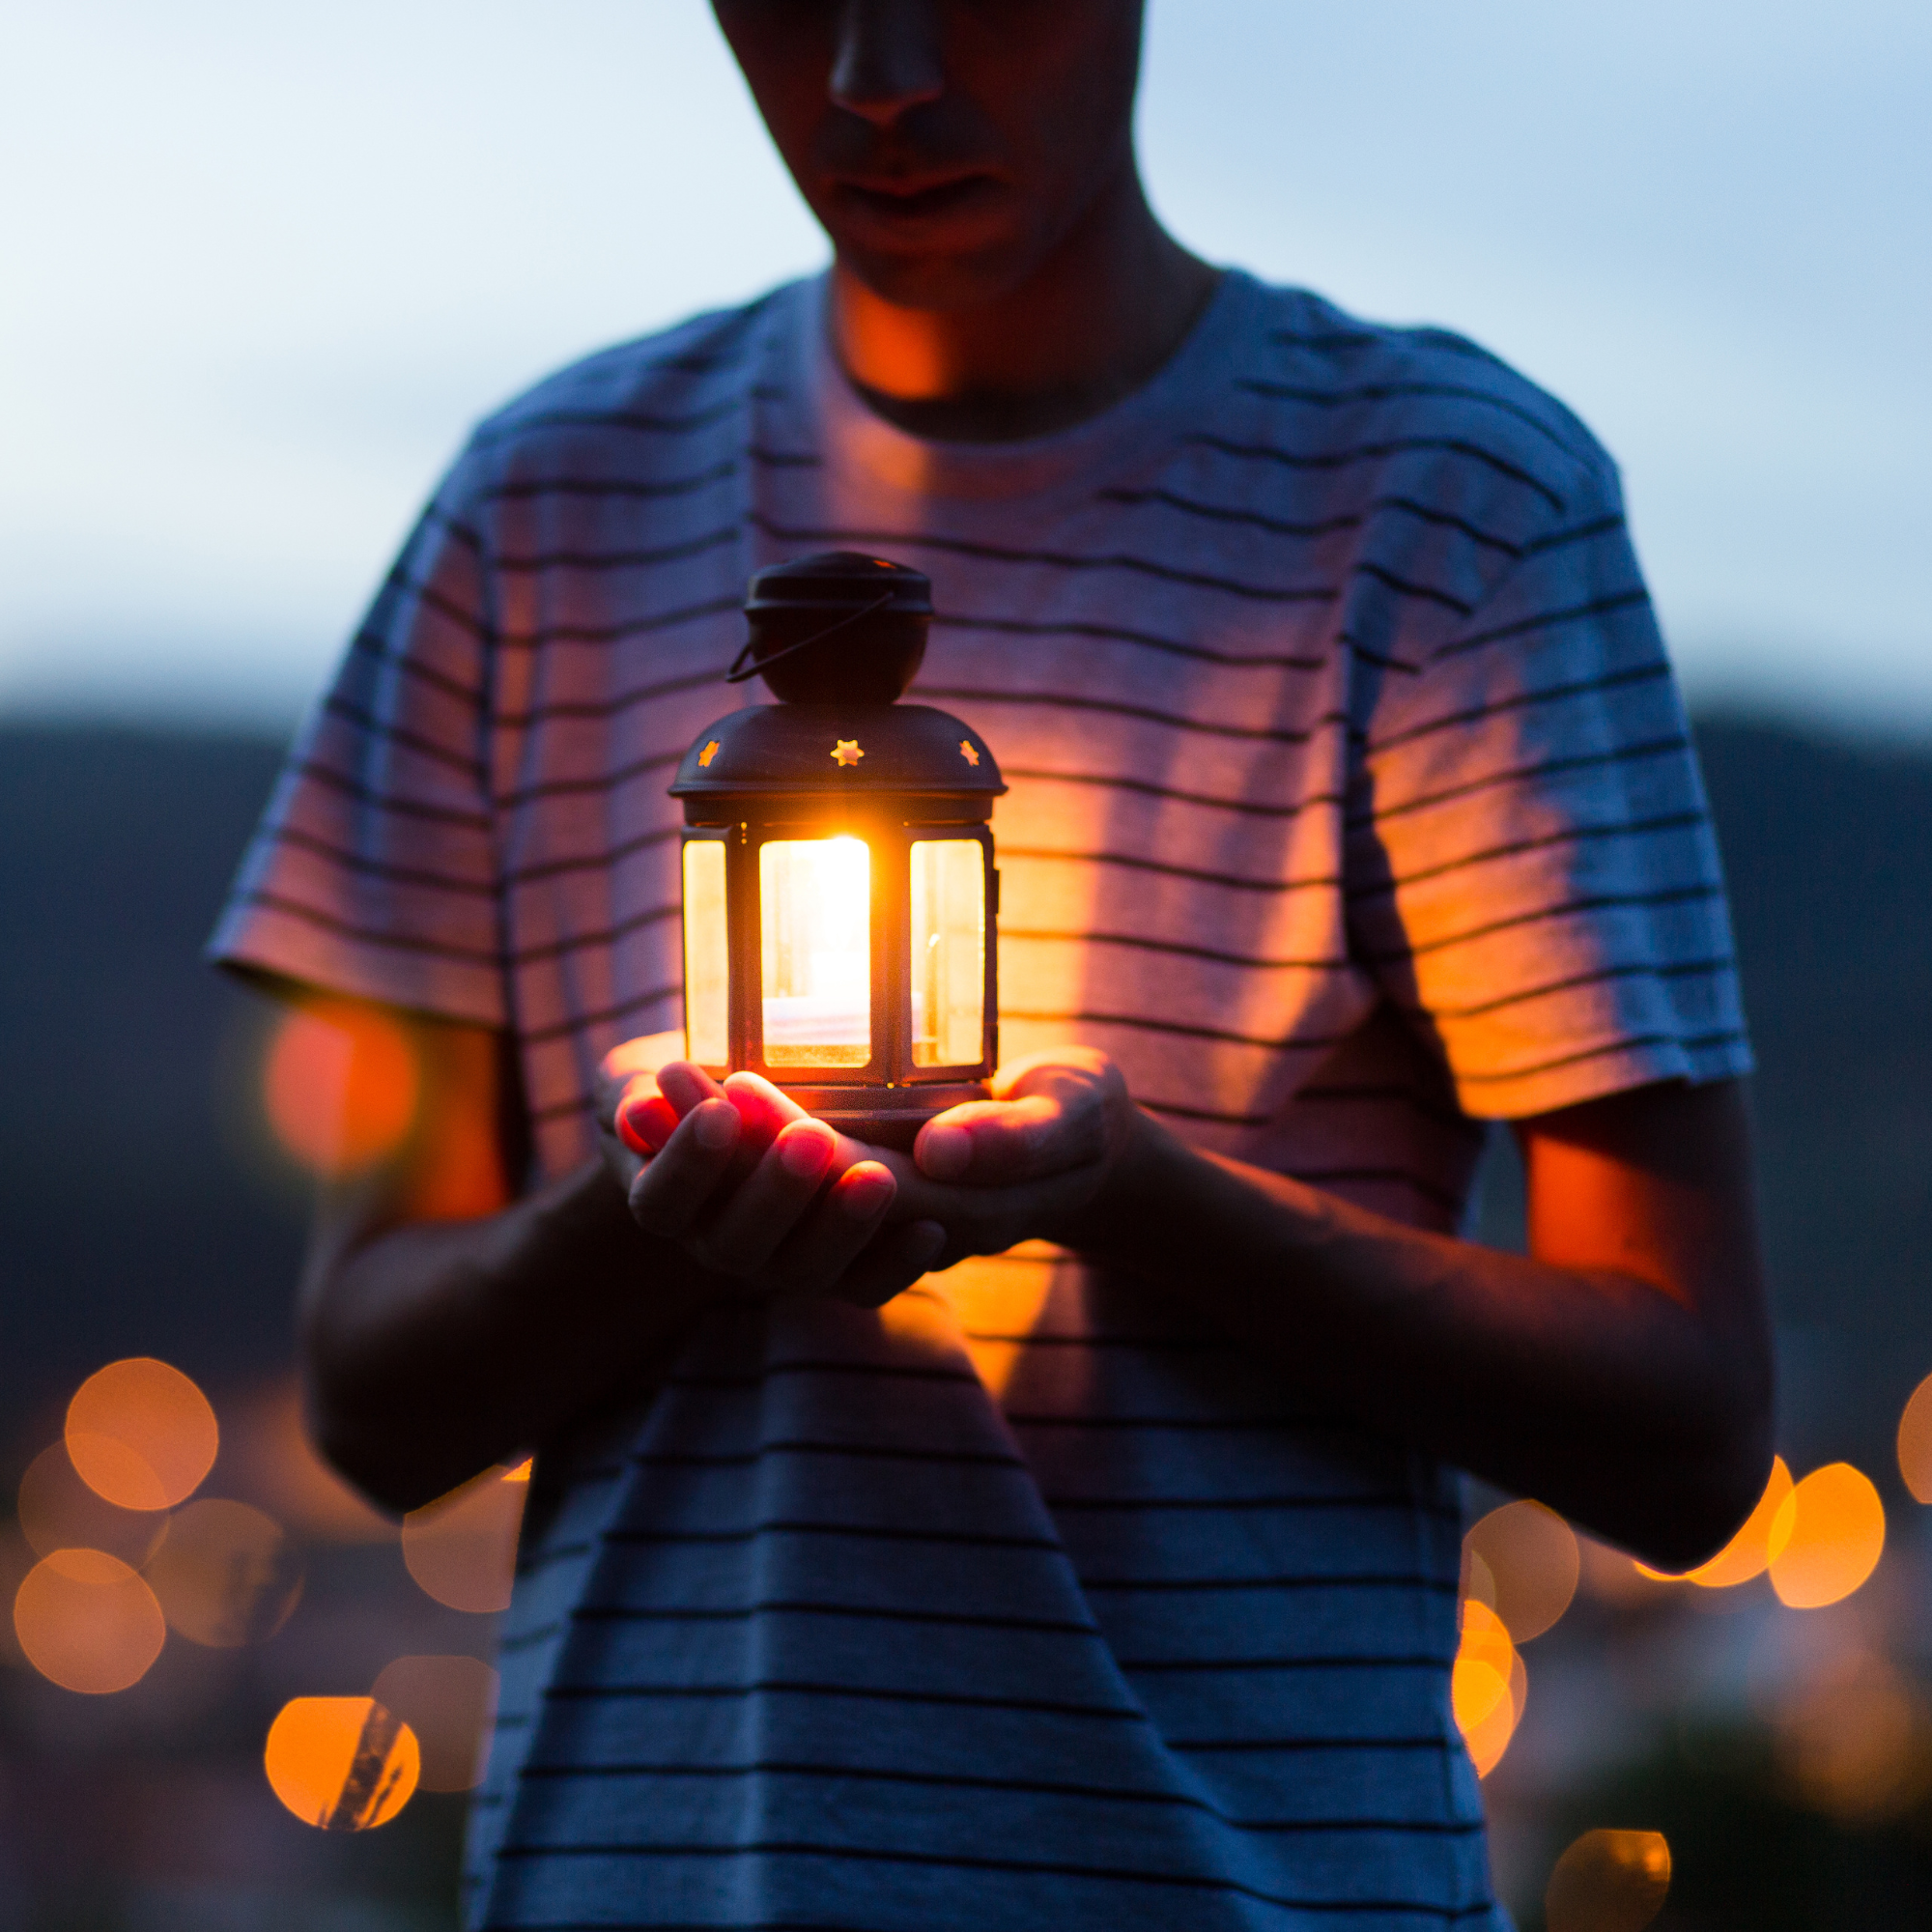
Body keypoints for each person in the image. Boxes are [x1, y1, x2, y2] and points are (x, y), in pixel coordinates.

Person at [211, 3, 1774, 1925]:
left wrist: (1141, 1201)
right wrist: (652, 1218)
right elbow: (371, 1399)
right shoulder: (541, 512)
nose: (877, 79)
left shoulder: (1446, 506)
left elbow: (1690, 1432)